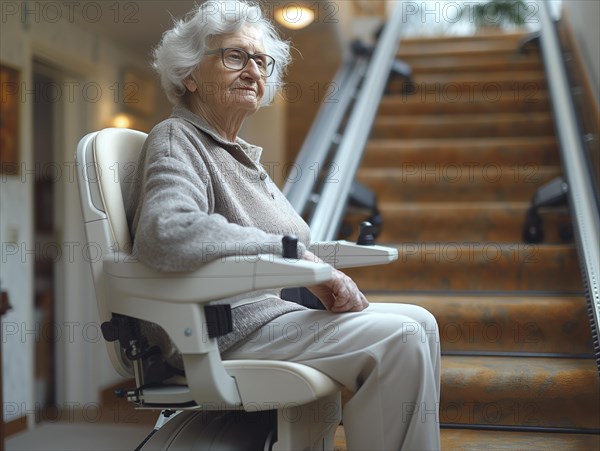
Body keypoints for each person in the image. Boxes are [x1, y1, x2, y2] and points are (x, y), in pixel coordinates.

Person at [124, 1, 441, 449]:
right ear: (189, 74)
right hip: (223, 330)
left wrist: (315, 258)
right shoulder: (178, 138)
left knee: (421, 323)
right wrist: (298, 257)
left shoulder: (239, 155)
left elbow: (291, 241)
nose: (253, 70)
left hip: (270, 318)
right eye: (234, 56)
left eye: (261, 61)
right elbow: (166, 234)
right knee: (402, 337)